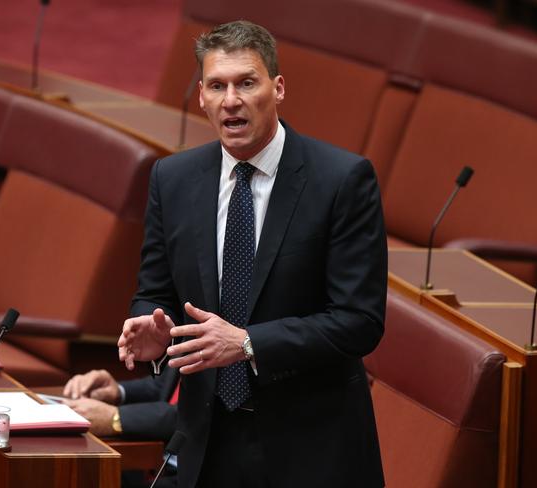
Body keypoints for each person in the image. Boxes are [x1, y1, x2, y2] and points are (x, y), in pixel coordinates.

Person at [118, 20, 387, 488]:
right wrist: (153, 327)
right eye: (217, 85)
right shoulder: (173, 179)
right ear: (201, 96)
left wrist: (247, 343)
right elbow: (154, 291)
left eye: (247, 82)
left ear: (277, 88)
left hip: (311, 450)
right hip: (207, 443)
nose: (232, 100)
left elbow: (359, 321)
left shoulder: (341, 180)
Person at [62, 367, 179, 488]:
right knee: (85, 474)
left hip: (186, 474)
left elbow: (191, 413)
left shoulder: (198, 352)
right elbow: (159, 385)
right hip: (156, 463)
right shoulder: (183, 350)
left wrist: (115, 417)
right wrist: (118, 391)